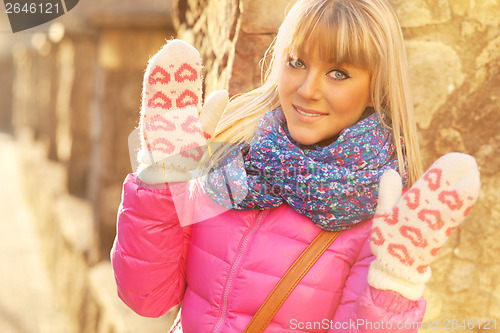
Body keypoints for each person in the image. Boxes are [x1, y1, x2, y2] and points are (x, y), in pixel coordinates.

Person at [111, 0, 480, 332]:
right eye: (297, 62)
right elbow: (146, 297)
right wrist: (161, 177)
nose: (307, 89)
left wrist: (394, 285)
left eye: (338, 73)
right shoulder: (231, 163)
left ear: (375, 87)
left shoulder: (382, 217)